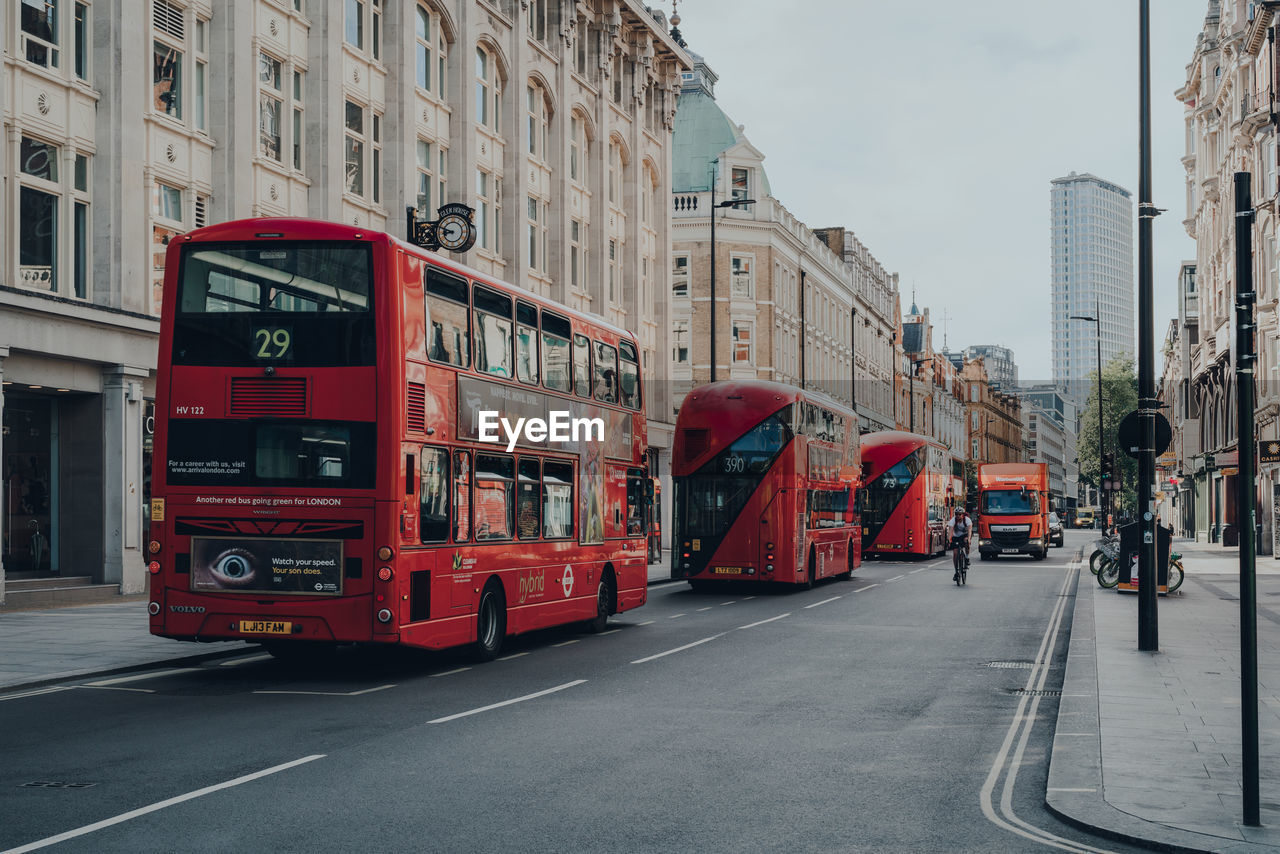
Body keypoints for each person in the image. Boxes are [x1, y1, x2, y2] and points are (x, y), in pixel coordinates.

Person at [947, 506, 972, 580]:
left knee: (967, 542)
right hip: (956, 536)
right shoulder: (953, 521)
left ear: (963, 514)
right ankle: (956, 572)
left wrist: (969, 539)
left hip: (964, 535)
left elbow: (969, 531)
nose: (958, 516)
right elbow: (950, 531)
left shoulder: (967, 520)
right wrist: (949, 540)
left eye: (959, 514)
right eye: (956, 514)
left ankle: (967, 558)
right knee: (955, 553)